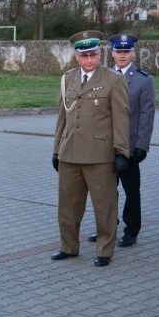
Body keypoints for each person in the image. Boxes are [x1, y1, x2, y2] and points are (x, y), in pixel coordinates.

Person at [51, 31, 129, 267]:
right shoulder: (68, 79)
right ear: (76, 56)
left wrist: (121, 151)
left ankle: (104, 250)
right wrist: (56, 149)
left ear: (100, 53)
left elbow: (121, 118)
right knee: (68, 205)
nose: (90, 60)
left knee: (104, 205)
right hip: (70, 151)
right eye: (85, 56)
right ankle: (68, 246)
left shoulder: (113, 80)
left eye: (94, 55)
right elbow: (62, 117)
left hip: (99, 154)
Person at [86, 34, 154, 248]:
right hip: (105, 145)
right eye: (118, 51)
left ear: (133, 53)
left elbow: (146, 115)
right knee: (104, 190)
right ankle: (107, 228)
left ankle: (131, 230)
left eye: (126, 51)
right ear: (112, 53)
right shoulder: (100, 76)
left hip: (130, 146)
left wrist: (142, 146)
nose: (122, 55)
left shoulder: (144, 80)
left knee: (131, 190)